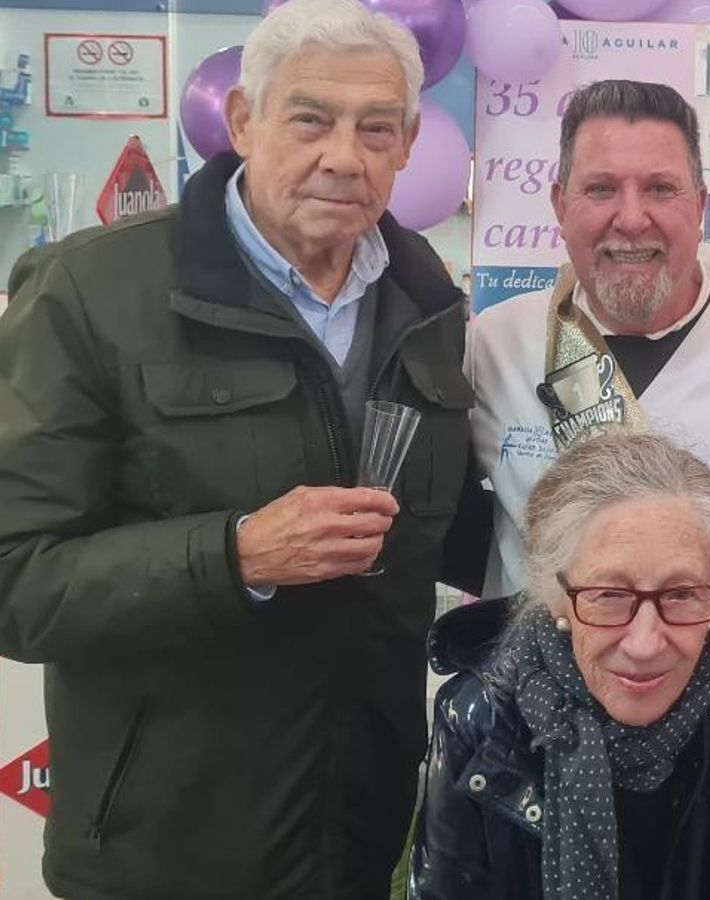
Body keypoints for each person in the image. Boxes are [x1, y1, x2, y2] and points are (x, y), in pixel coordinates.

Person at [0, 0, 473, 896]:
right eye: (310, 118)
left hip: (359, 834)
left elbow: (443, 528)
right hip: (162, 850)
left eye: (376, 127)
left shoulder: (426, 300)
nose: (344, 155)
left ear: (409, 143)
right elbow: (13, 576)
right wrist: (235, 555)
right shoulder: (90, 291)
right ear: (245, 121)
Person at [464, 79, 710, 687]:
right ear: (559, 204)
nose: (631, 218)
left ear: (699, 206)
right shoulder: (492, 347)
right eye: (600, 189)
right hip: (530, 722)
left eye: (660, 189)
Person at [412, 432, 710, 900]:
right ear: (555, 597)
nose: (646, 644)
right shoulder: (481, 714)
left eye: (682, 593)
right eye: (608, 595)